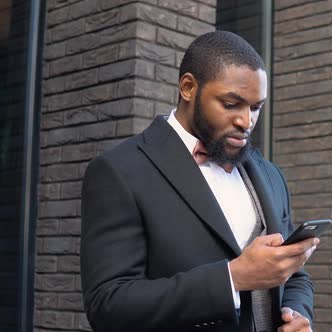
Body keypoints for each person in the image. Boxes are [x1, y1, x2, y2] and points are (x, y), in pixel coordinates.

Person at [80, 31, 317, 332]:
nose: (246, 121)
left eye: (255, 107)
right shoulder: (119, 171)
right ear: (189, 87)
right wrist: (232, 278)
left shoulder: (270, 174)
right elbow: (108, 305)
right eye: (231, 104)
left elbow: (295, 277)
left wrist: (295, 313)